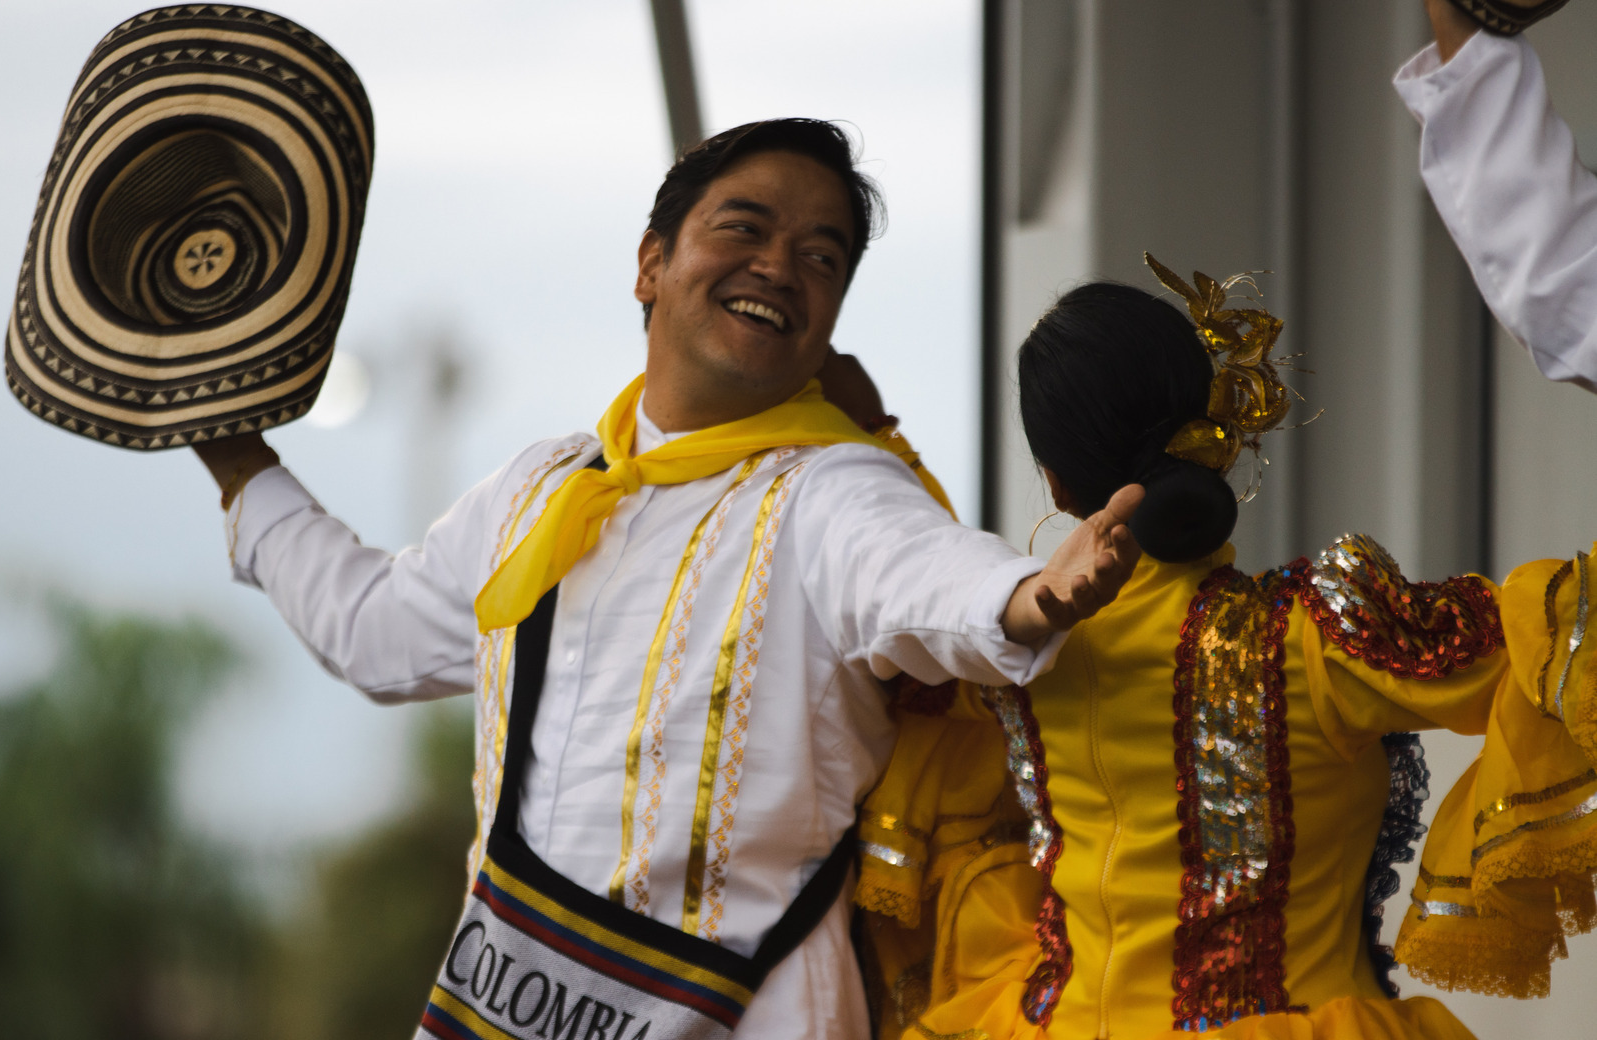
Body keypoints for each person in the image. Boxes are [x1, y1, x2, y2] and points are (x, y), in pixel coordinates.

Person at [191, 118, 1143, 1040]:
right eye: (745, 227)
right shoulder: (542, 488)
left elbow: (929, 575)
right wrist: (238, 460)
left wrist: (1028, 598)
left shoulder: (833, 484)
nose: (780, 266)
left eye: (822, 257)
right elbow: (373, 632)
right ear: (651, 263)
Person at [851, 0, 1597, 1040]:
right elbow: (1555, 643)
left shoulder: (1000, 666)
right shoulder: (1317, 637)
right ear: (1216, 421)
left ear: (1052, 481)